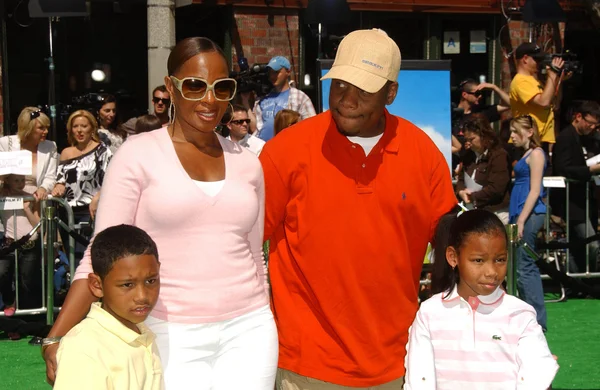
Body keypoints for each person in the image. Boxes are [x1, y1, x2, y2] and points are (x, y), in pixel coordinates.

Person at [42, 37, 277, 390]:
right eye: (196, 86)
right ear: (171, 86)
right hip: (168, 330)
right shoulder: (137, 155)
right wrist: (56, 334)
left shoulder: (248, 164)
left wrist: (266, 314)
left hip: (251, 329)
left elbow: (256, 256)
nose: (210, 99)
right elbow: (100, 253)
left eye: (222, 87)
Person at [260, 28, 457, 388]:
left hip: (400, 363)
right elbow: (244, 245)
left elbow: (451, 249)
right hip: (305, 365)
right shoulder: (285, 151)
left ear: (391, 93)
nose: (346, 99)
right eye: (340, 84)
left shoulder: (423, 153)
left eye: (363, 89)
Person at [405, 209, 559, 389]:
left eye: (500, 259)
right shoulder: (429, 313)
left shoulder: (520, 314)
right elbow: (419, 380)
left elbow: (536, 378)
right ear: (453, 257)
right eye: (478, 260)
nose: (491, 272)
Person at [53, 224, 163, 390]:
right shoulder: (84, 347)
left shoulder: (142, 332)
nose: (142, 296)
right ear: (97, 285)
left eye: (151, 281)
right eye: (127, 284)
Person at [51, 110, 112, 259]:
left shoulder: (103, 151)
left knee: (85, 257)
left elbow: (112, 179)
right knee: (72, 258)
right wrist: (59, 186)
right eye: (75, 126)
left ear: (92, 128)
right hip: (67, 212)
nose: (79, 130)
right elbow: (61, 179)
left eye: (83, 126)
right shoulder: (66, 152)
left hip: (90, 211)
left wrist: (99, 196)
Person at [509, 115, 548, 331]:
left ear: (529, 132)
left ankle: (537, 321)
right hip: (520, 213)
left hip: (529, 214)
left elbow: (535, 190)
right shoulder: (526, 154)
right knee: (520, 267)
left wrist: (522, 219)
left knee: (525, 266)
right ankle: (528, 317)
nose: (512, 137)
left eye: (516, 132)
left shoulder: (537, 154)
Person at [552, 101, 600, 274]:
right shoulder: (566, 137)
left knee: (577, 245)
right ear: (578, 117)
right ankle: (589, 281)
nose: (592, 127)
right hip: (572, 202)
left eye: (596, 124)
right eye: (590, 123)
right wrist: (590, 170)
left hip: (587, 200)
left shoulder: (590, 139)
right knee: (591, 243)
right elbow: (562, 168)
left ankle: (575, 282)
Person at [510, 43, 565, 154]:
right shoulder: (520, 81)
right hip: (526, 139)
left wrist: (558, 80)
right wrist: (552, 74)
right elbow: (543, 102)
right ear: (525, 59)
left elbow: (554, 103)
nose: (539, 63)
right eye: (537, 60)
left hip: (539, 138)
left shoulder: (533, 81)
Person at [455, 114, 511, 223]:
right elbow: (461, 179)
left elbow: (497, 188)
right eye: (467, 140)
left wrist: (473, 196)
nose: (469, 143)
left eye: (472, 139)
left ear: (484, 135)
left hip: (495, 212)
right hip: (472, 210)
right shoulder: (468, 156)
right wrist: (461, 192)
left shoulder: (499, 155)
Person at [0, 174, 42, 315]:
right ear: (8, 181)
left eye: (22, 180)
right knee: (2, 273)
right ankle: (8, 301)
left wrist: (27, 209)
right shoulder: (2, 195)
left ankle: (22, 313)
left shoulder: (30, 197)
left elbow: (38, 225)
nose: (20, 184)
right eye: (16, 180)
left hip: (30, 243)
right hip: (9, 244)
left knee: (26, 281)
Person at [0, 107, 58, 200]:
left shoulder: (50, 146)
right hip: (10, 200)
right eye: (41, 128)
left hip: (36, 201)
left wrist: (43, 188)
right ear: (28, 128)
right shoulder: (6, 143)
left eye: (47, 127)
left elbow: (50, 176)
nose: (46, 131)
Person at [254, 56, 316, 142]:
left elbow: (311, 125)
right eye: (270, 72)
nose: (272, 76)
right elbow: (256, 128)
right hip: (263, 148)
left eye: (276, 72)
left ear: (288, 72)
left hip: (288, 146)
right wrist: (245, 101)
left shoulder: (300, 97)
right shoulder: (263, 98)